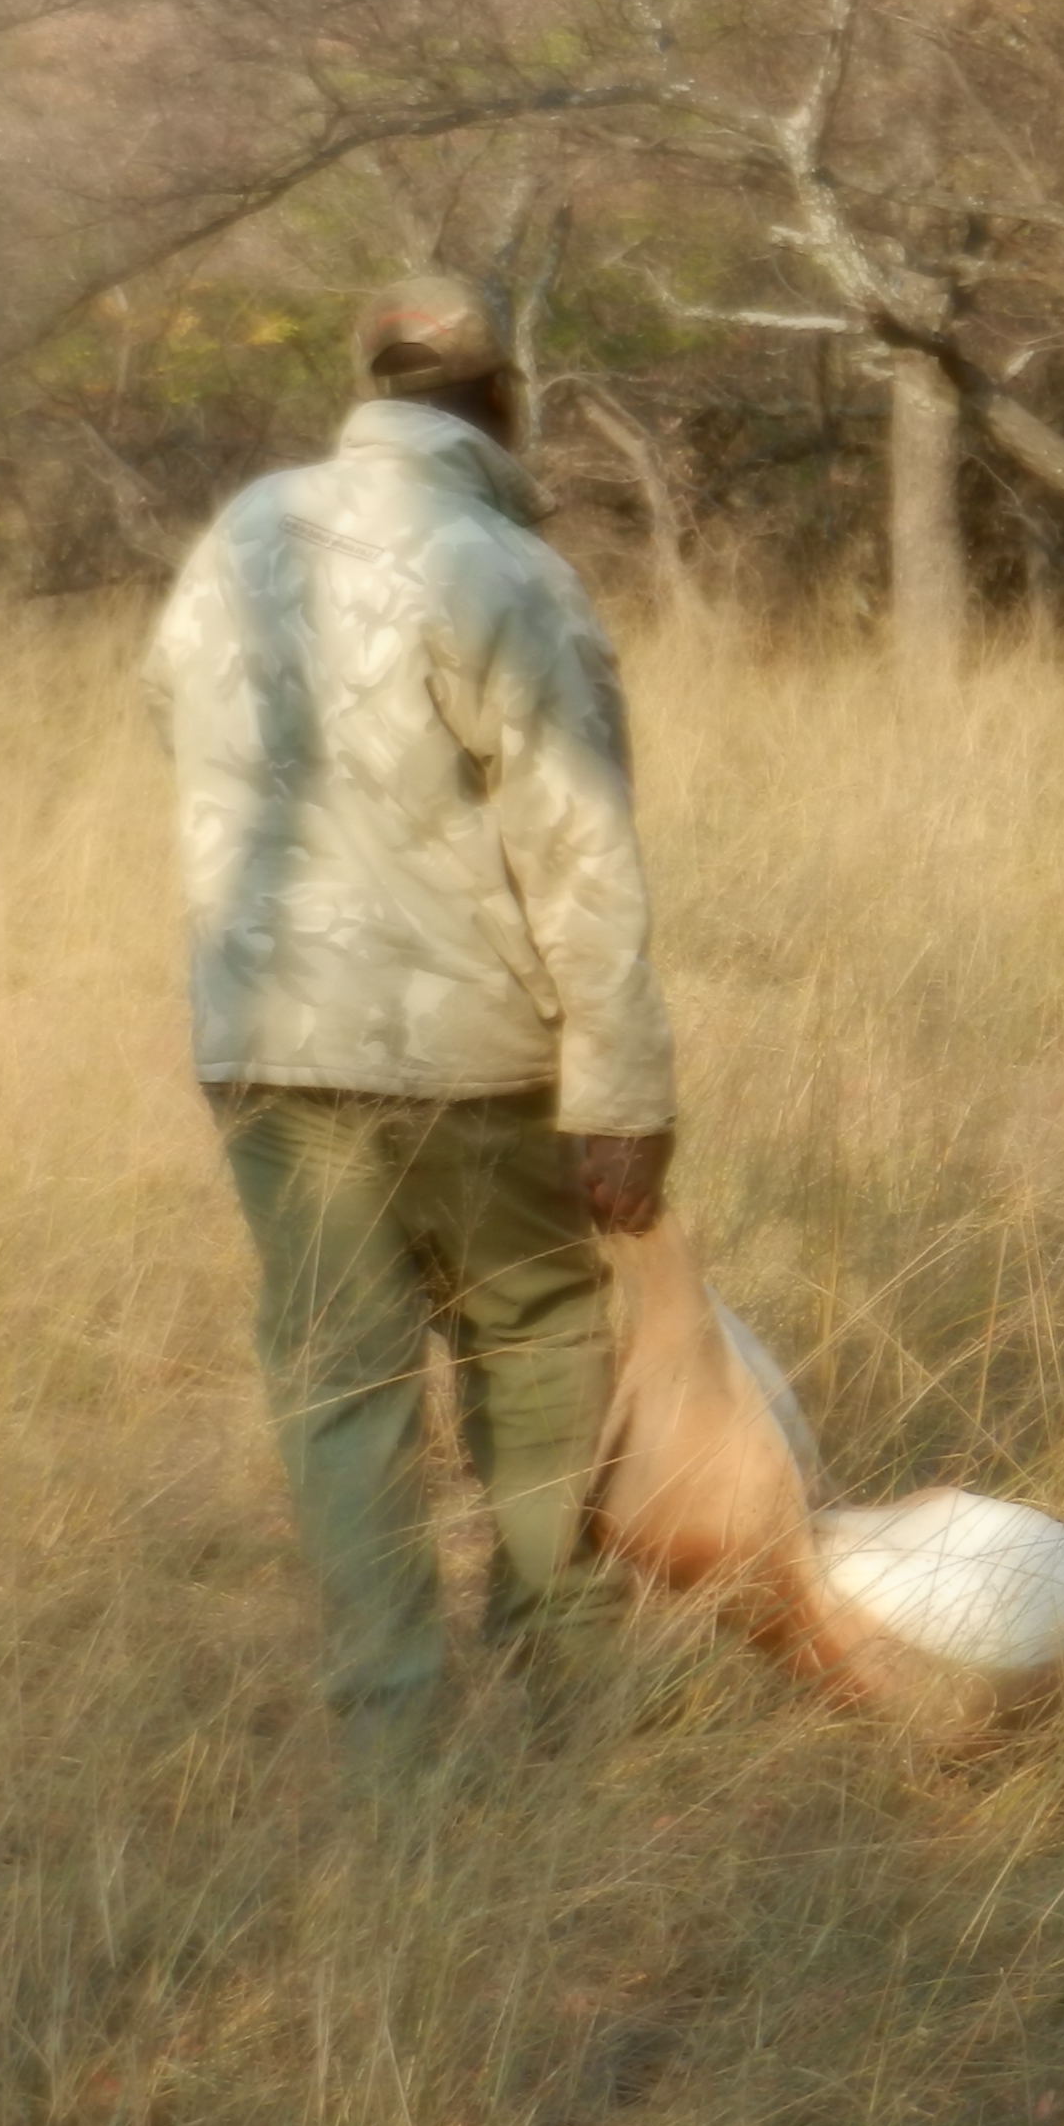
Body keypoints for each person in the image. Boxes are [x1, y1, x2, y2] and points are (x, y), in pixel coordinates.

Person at [143, 273, 676, 1774]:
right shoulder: (502, 565)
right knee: (541, 1341)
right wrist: (622, 1090)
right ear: (507, 401)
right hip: (472, 1049)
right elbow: (583, 851)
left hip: (263, 1043)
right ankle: (565, 1703)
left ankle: (392, 1744)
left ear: (365, 382)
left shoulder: (241, 535)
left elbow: (166, 715)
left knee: (338, 1384)